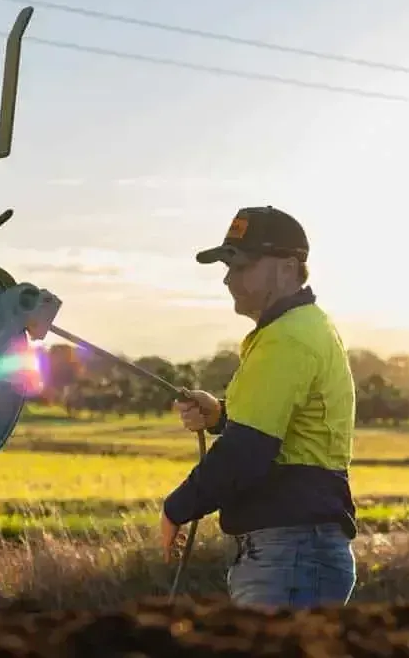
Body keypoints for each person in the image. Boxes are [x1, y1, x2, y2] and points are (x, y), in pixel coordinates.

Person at [160, 205, 358, 609]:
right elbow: (278, 427)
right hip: (294, 553)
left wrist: (176, 508)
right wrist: (220, 416)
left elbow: (246, 453)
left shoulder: (286, 339)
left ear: (287, 268)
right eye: (227, 267)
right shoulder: (303, 328)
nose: (229, 279)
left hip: (290, 556)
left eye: (242, 266)